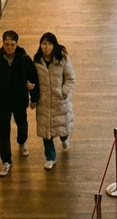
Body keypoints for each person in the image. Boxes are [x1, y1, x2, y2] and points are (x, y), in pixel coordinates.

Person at [0, 30, 39, 177]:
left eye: (12, 44)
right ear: (2, 43)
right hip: (2, 101)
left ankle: (22, 141)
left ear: (17, 44)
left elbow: (33, 79)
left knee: (22, 124)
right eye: (6, 44)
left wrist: (34, 98)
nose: (9, 47)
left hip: (19, 99)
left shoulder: (24, 59)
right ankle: (6, 161)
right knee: (3, 131)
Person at [33, 32, 76, 170]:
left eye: (49, 44)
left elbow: (70, 78)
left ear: (54, 45)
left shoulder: (62, 59)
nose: (46, 47)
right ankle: (50, 157)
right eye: (44, 44)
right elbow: (32, 79)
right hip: (44, 102)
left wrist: (63, 91)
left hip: (60, 100)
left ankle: (64, 138)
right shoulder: (37, 61)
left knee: (62, 128)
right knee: (46, 132)